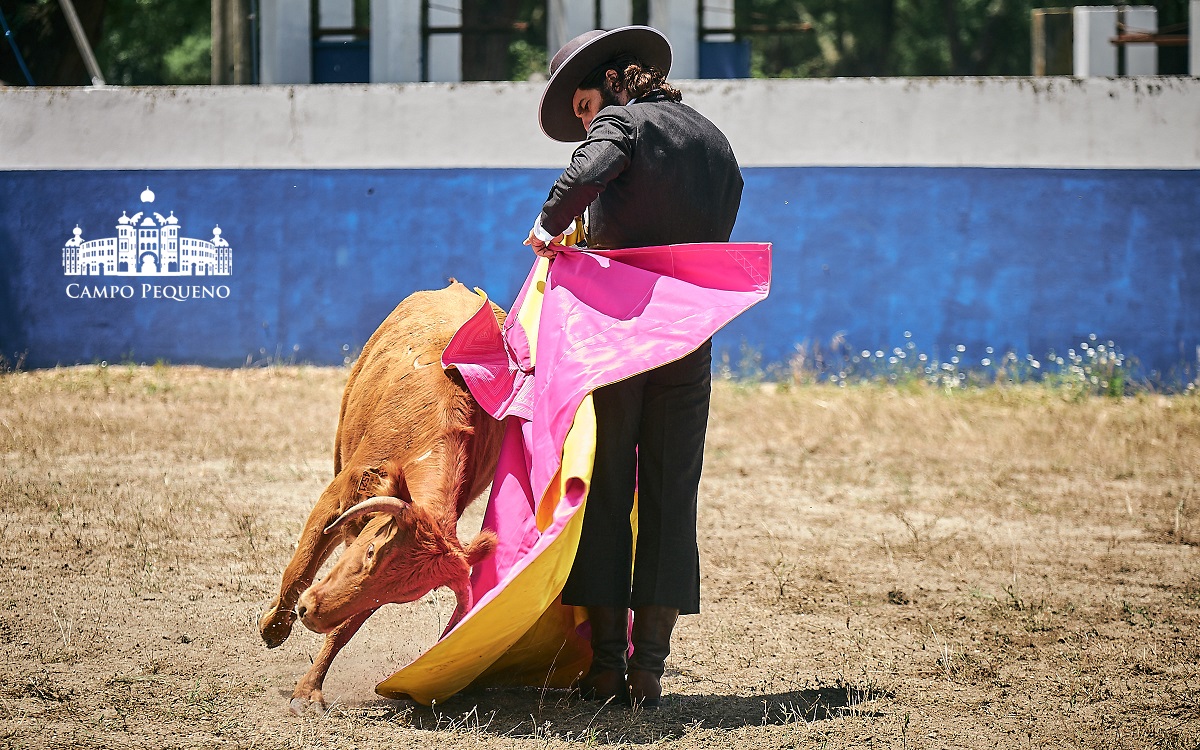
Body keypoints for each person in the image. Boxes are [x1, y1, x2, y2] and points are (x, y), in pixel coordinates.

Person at [524, 25, 744, 708]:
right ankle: (649, 669)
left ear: (614, 81)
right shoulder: (714, 141)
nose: (588, 122)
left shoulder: (623, 123)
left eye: (586, 107)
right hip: (688, 338)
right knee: (672, 492)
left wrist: (547, 226)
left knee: (608, 486)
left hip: (619, 337)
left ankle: (606, 666)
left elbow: (591, 168)